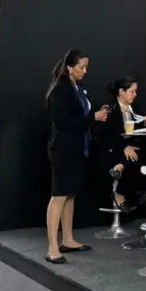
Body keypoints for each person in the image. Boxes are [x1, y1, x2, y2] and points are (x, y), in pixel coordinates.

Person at [45, 49, 109, 264]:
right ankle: (52, 247)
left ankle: (68, 239)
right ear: (70, 68)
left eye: (86, 67)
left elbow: (81, 117)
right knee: (59, 195)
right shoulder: (59, 90)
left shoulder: (78, 88)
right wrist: (92, 118)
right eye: (82, 67)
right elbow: (63, 122)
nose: (85, 71)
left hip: (78, 148)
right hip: (63, 149)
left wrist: (95, 116)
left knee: (70, 194)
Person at [100, 77, 146, 213]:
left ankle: (120, 169)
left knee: (141, 156)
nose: (135, 94)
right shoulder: (110, 109)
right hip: (113, 148)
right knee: (132, 159)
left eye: (135, 91)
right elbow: (106, 135)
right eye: (132, 91)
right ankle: (119, 188)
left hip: (133, 146)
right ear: (121, 92)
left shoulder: (135, 108)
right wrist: (123, 147)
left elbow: (139, 129)